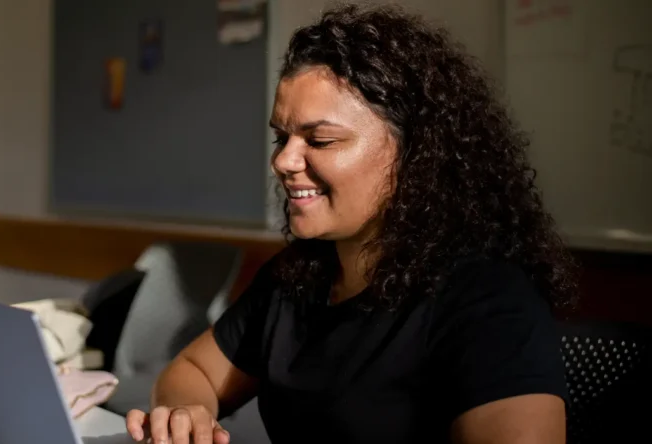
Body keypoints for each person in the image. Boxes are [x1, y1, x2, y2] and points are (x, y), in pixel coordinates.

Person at [127, 4, 577, 443]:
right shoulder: (297, 278)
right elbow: (194, 371)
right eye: (282, 137)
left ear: (416, 156)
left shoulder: (488, 302)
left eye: (320, 139)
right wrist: (188, 414)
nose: (283, 160)